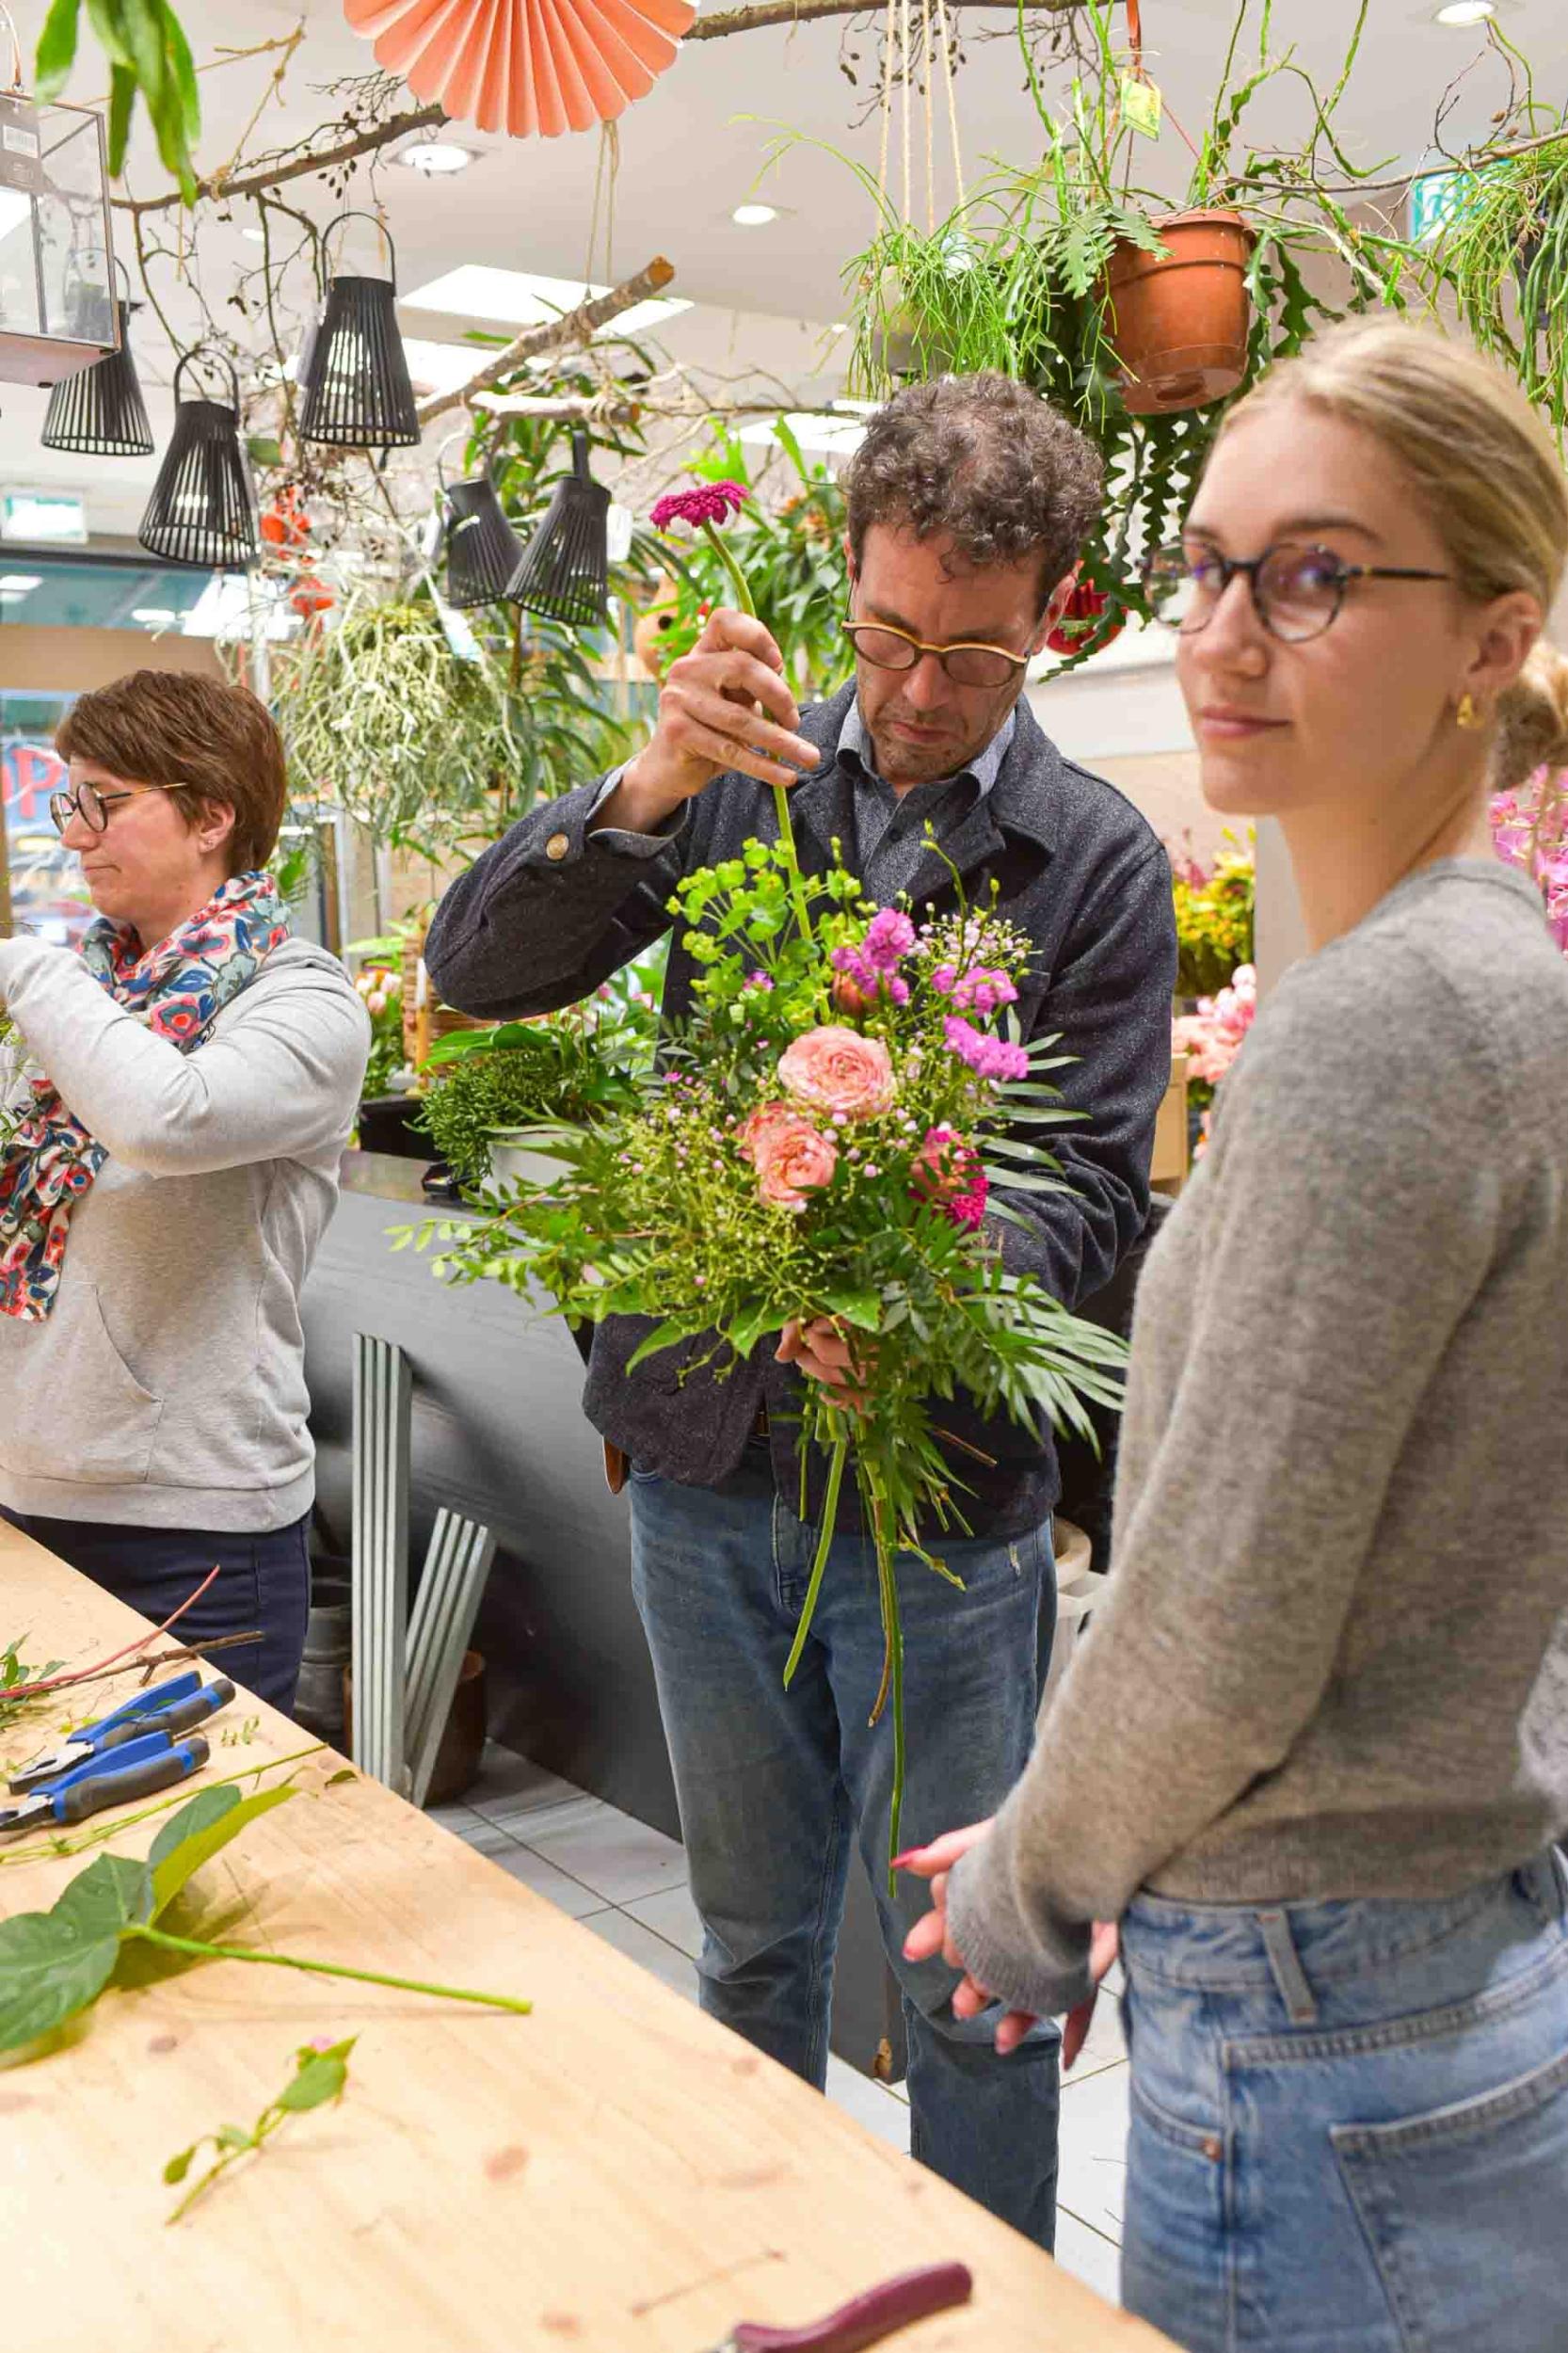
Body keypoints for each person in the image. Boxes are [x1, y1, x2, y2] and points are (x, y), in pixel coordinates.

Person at [425, 372, 1177, 2249]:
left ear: (1053, 617)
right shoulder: (737, 785)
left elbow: (1087, 1187)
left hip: (936, 1506)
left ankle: (985, 2289)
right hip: (699, 1472)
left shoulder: (1089, 862)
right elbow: (476, 968)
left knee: (962, 1976)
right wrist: (644, 783)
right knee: (749, 1931)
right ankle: (752, 2262)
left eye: (975, 658)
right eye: (887, 637)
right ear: (844, 578)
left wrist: (907, 1293)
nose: (919, 692)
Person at [901, 320, 1568, 2351]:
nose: (1222, 632)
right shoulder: (1486, 978)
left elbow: (1219, 1619)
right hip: (1428, 1960)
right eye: (1204, 565)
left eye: (1313, 575)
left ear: (1488, 637)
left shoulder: (1386, 1026)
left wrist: (1024, 1881)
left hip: (1313, 2018)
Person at [0, 669, 369, 1713]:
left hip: (193, 1527)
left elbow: (169, 1119)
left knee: (183, 1860)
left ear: (211, 813)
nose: (76, 834)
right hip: (27, 1489)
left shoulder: (302, 998)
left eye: (104, 801)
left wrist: (26, 972)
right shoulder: (90, 997)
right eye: (68, 802)